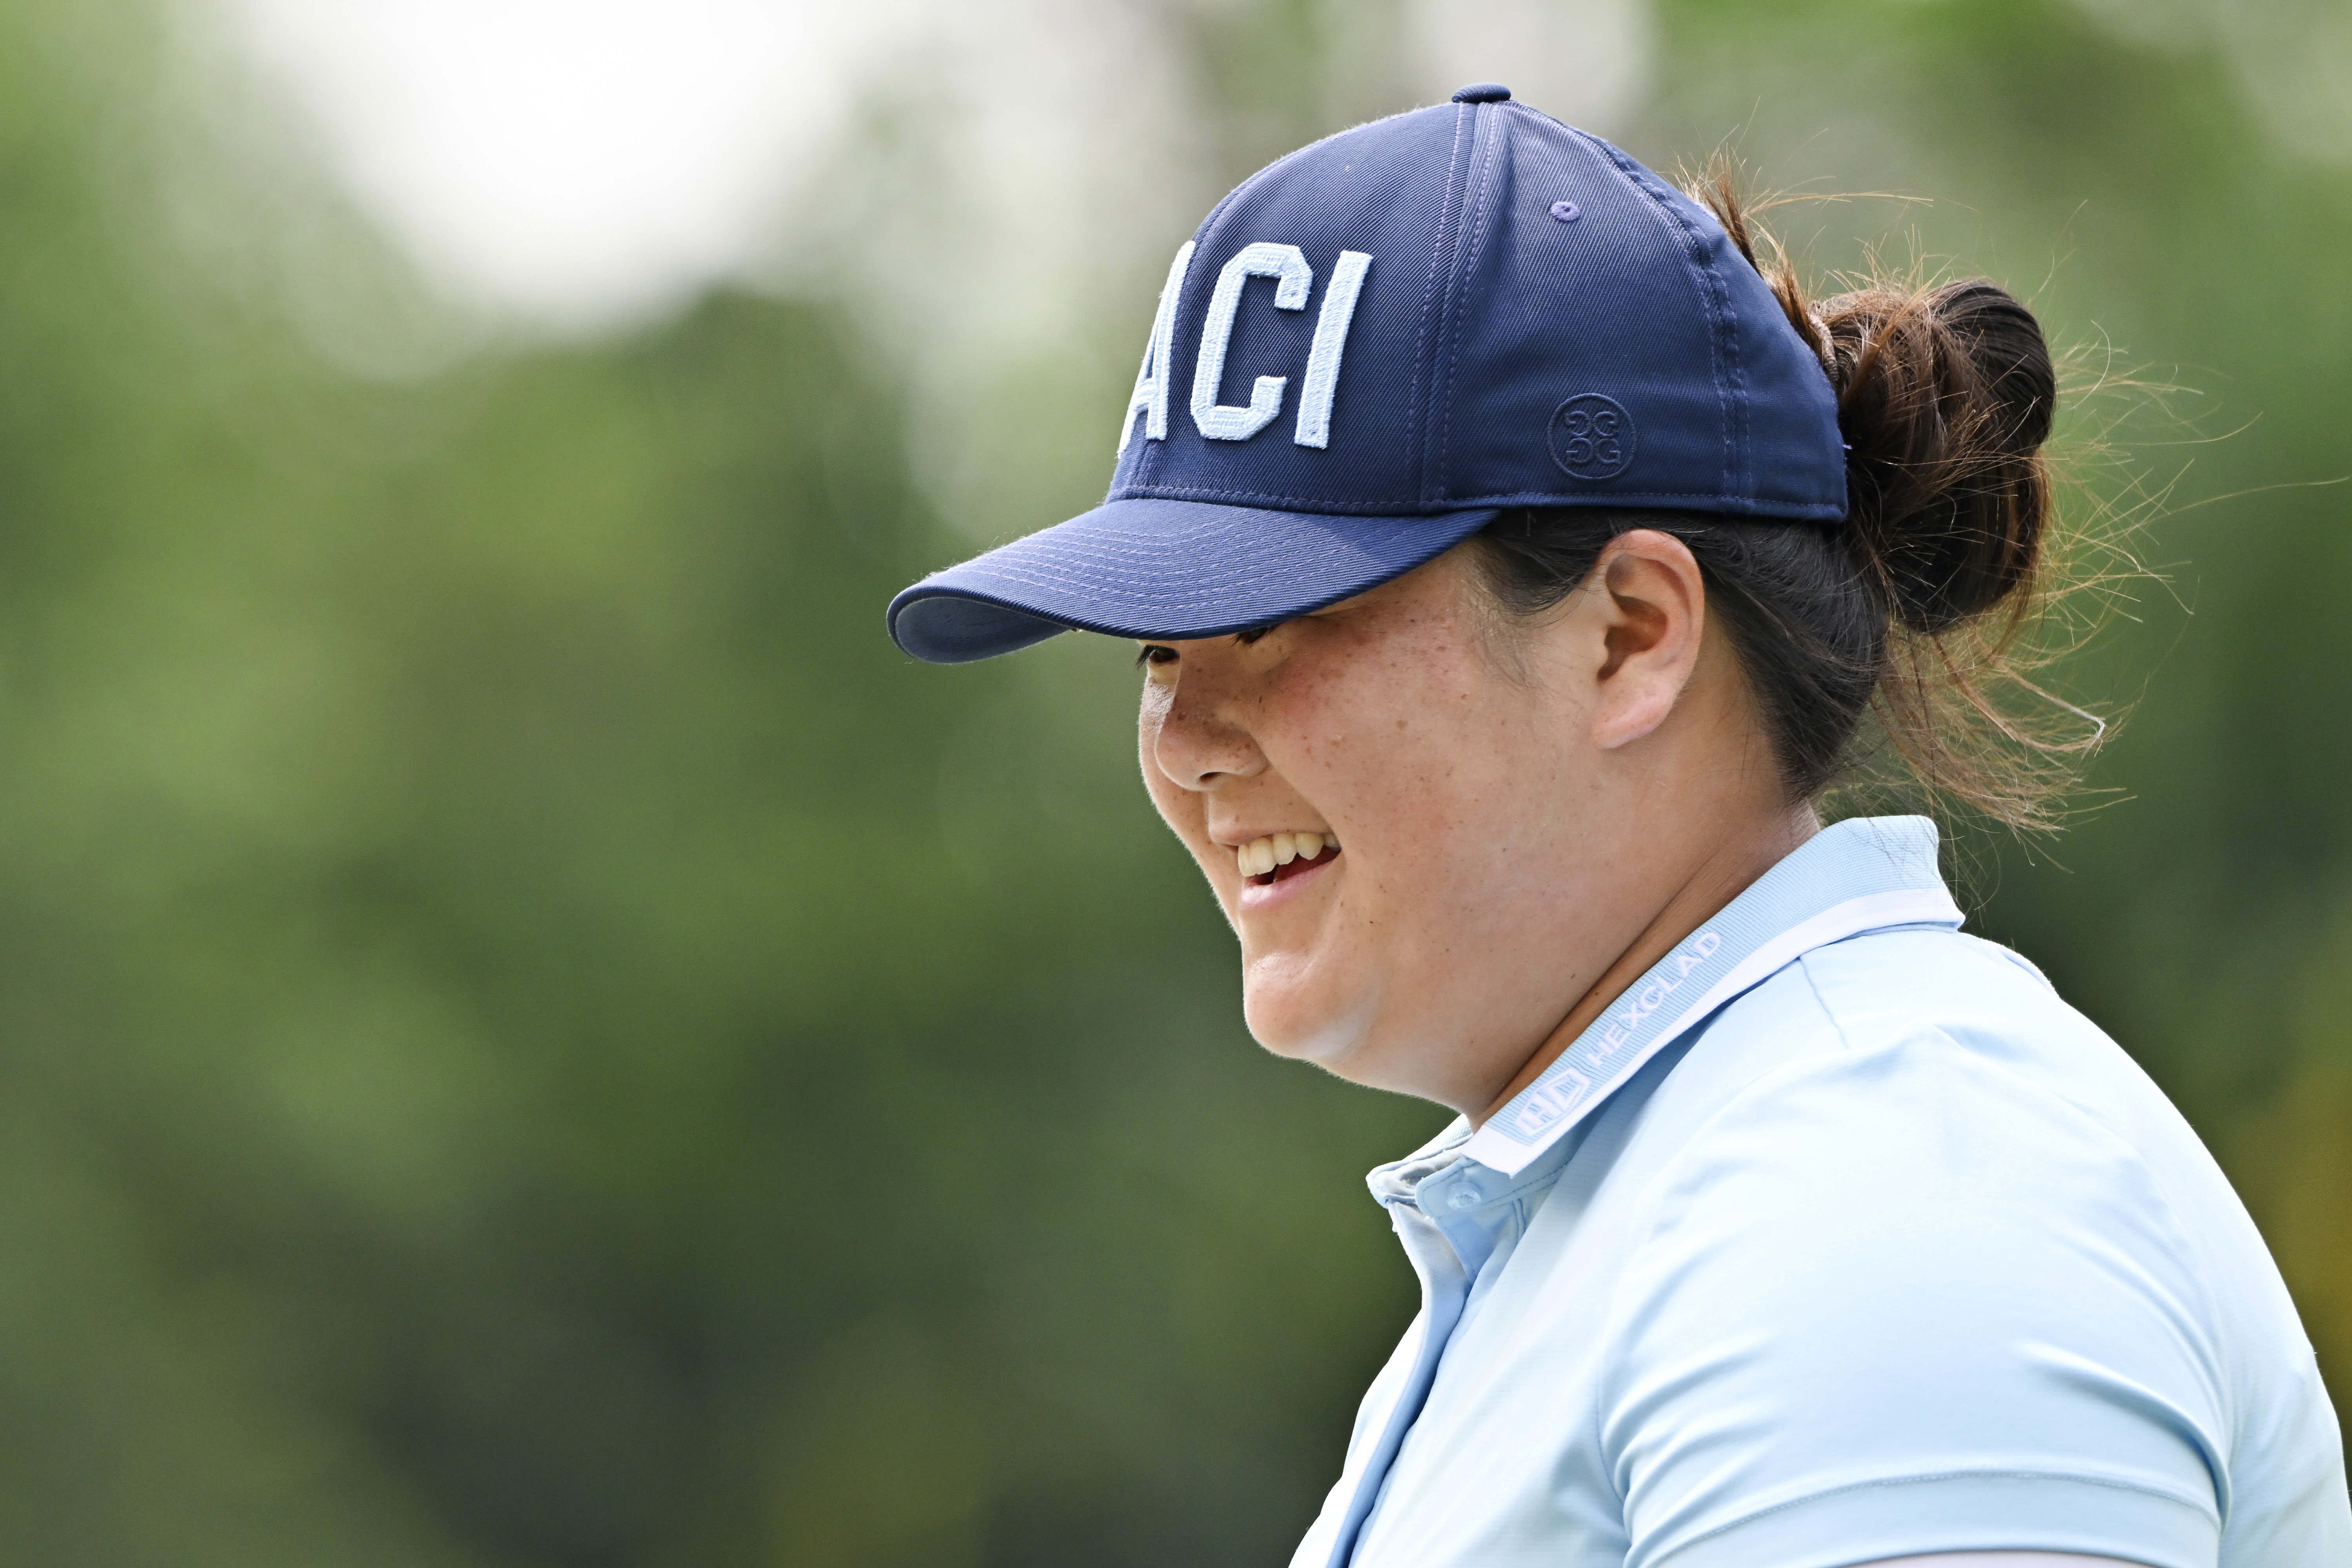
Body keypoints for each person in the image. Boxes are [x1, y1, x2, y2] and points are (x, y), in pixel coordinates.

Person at [886, 85, 2351, 1567]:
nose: (1186, 743)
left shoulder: (1874, 1197)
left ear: (1631, 636)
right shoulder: (1700, 1181)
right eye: (1154, 652)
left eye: (1270, 621)